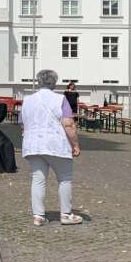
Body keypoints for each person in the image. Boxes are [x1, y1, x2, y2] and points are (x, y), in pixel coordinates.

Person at [20, 69, 83, 226]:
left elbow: (23, 124)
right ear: (54, 82)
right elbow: (68, 124)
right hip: (55, 144)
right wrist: (75, 144)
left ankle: (38, 216)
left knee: (38, 179)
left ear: (38, 81)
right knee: (64, 178)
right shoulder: (60, 99)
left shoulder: (27, 100)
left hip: (33, 144)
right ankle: (66, 214)